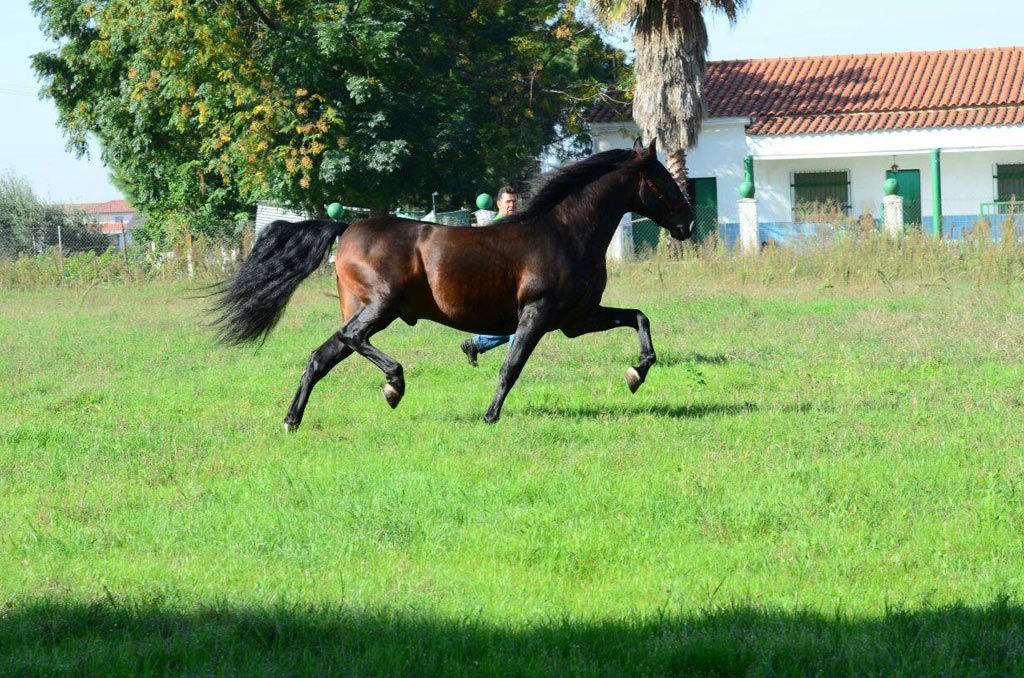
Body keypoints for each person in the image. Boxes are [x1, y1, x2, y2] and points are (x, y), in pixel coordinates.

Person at [459, 186, 518, 366]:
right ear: (499, 204)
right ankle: (512, 367)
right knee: (520, 324)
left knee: (517, 324)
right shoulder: (495, 229)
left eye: (514, 201)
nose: (512, 205)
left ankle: (475, 344)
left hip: (516, 284)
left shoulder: (519, 225)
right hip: (499, 287)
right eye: (508, 202)